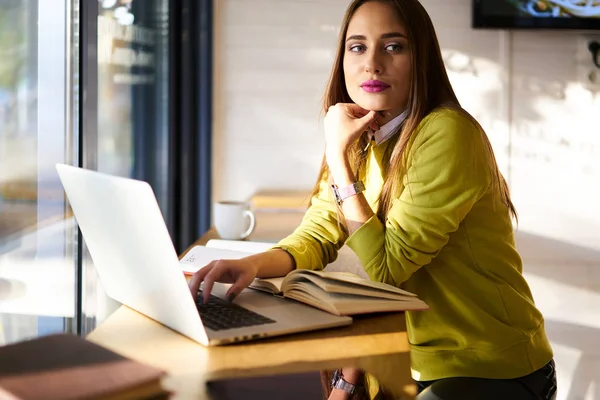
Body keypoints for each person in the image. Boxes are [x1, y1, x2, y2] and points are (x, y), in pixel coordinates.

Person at [189, 0, 558, 399]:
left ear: (422, 59)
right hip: (401, 360)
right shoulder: (360, 134)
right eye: (358, 46)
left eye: (394, 46)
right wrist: (250, 265)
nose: (373, 64)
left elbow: (383, 270)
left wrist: (338, 162)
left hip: (487, 367)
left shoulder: (448, 134)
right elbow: (319, 233)